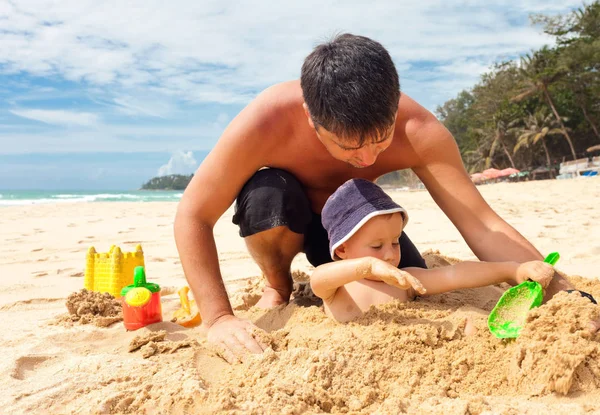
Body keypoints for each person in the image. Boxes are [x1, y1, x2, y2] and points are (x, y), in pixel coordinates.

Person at [174, 33, 582, 361]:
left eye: (381, 139)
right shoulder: (266, 121)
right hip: (291, 220)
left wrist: (558, 288)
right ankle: (278, 286)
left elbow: (480, 220)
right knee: (266, 196)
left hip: (363, 226)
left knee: (411, 282)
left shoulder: (418, 130)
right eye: (349, 147)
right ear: (310, 115)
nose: (367, 158)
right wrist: (220, 317)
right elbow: (192, 215)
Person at [311, 179, 555, 322]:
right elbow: (317, 279)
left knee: (470, 323)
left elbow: (455, 275)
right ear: (342, 249)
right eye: (376, 246)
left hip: (408, 355)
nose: (389, 254)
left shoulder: (404, 280)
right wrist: (367, 266)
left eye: (396, 242)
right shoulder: (336, 287)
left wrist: (513, 269)